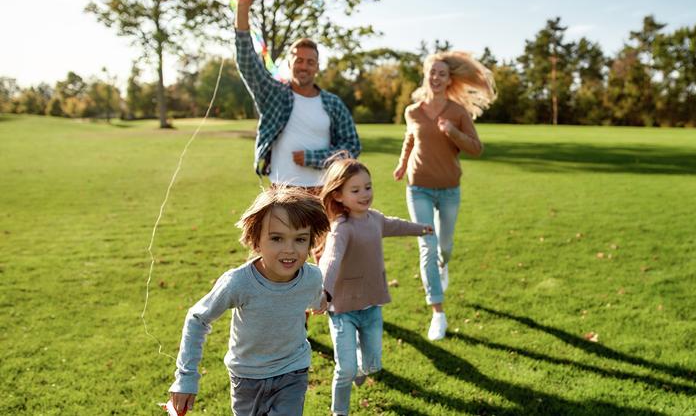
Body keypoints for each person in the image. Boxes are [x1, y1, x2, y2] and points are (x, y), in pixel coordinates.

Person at [167, 186, 330, 416]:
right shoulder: (238, 283)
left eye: (300, 239)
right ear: (256, 242)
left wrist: (320, 302)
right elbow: (198, 318)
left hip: (293, 371)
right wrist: (186, 378)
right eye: (276, 238)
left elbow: (315, 295)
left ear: (311, 241)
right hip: (247, 378)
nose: (290, 250)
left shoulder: (312, 277)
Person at [393, 51, 496, 341]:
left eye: (442, 73)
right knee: (427, 246)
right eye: (432, 73)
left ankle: (444, 263)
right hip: (418, 188)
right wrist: (402, 164)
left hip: (449, 189)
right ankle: (438, 312)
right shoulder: (412, 111)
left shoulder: (457, 112)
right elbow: (410, 138)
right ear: (425, 76)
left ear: (449, 80)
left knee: (444, 247)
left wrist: (453, 132)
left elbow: (476, 148)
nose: (436, 77)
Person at [317, 158, 432, 415]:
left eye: (367, 187)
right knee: (344, 369)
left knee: (372, 365)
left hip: (371, 306)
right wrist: (324, 291)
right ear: (338, 195)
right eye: (355, 190)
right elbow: (331, 260)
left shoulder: (375, 219)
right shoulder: (341, 229)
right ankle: (339, 411)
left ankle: (361, 367)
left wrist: (420, 229)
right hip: (343, 309)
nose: (364, 194)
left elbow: (395, 225)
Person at [235, 0, 361, 191]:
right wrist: (243, 7)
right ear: (289, 64)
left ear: (317, 67)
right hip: (282, 190)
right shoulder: (274, 94)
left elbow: (352, 146)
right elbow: (247, 61)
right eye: (299, 60)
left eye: (310, 62)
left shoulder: (332, 103)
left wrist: (315, 158)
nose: (304, 66)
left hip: (325, 190)